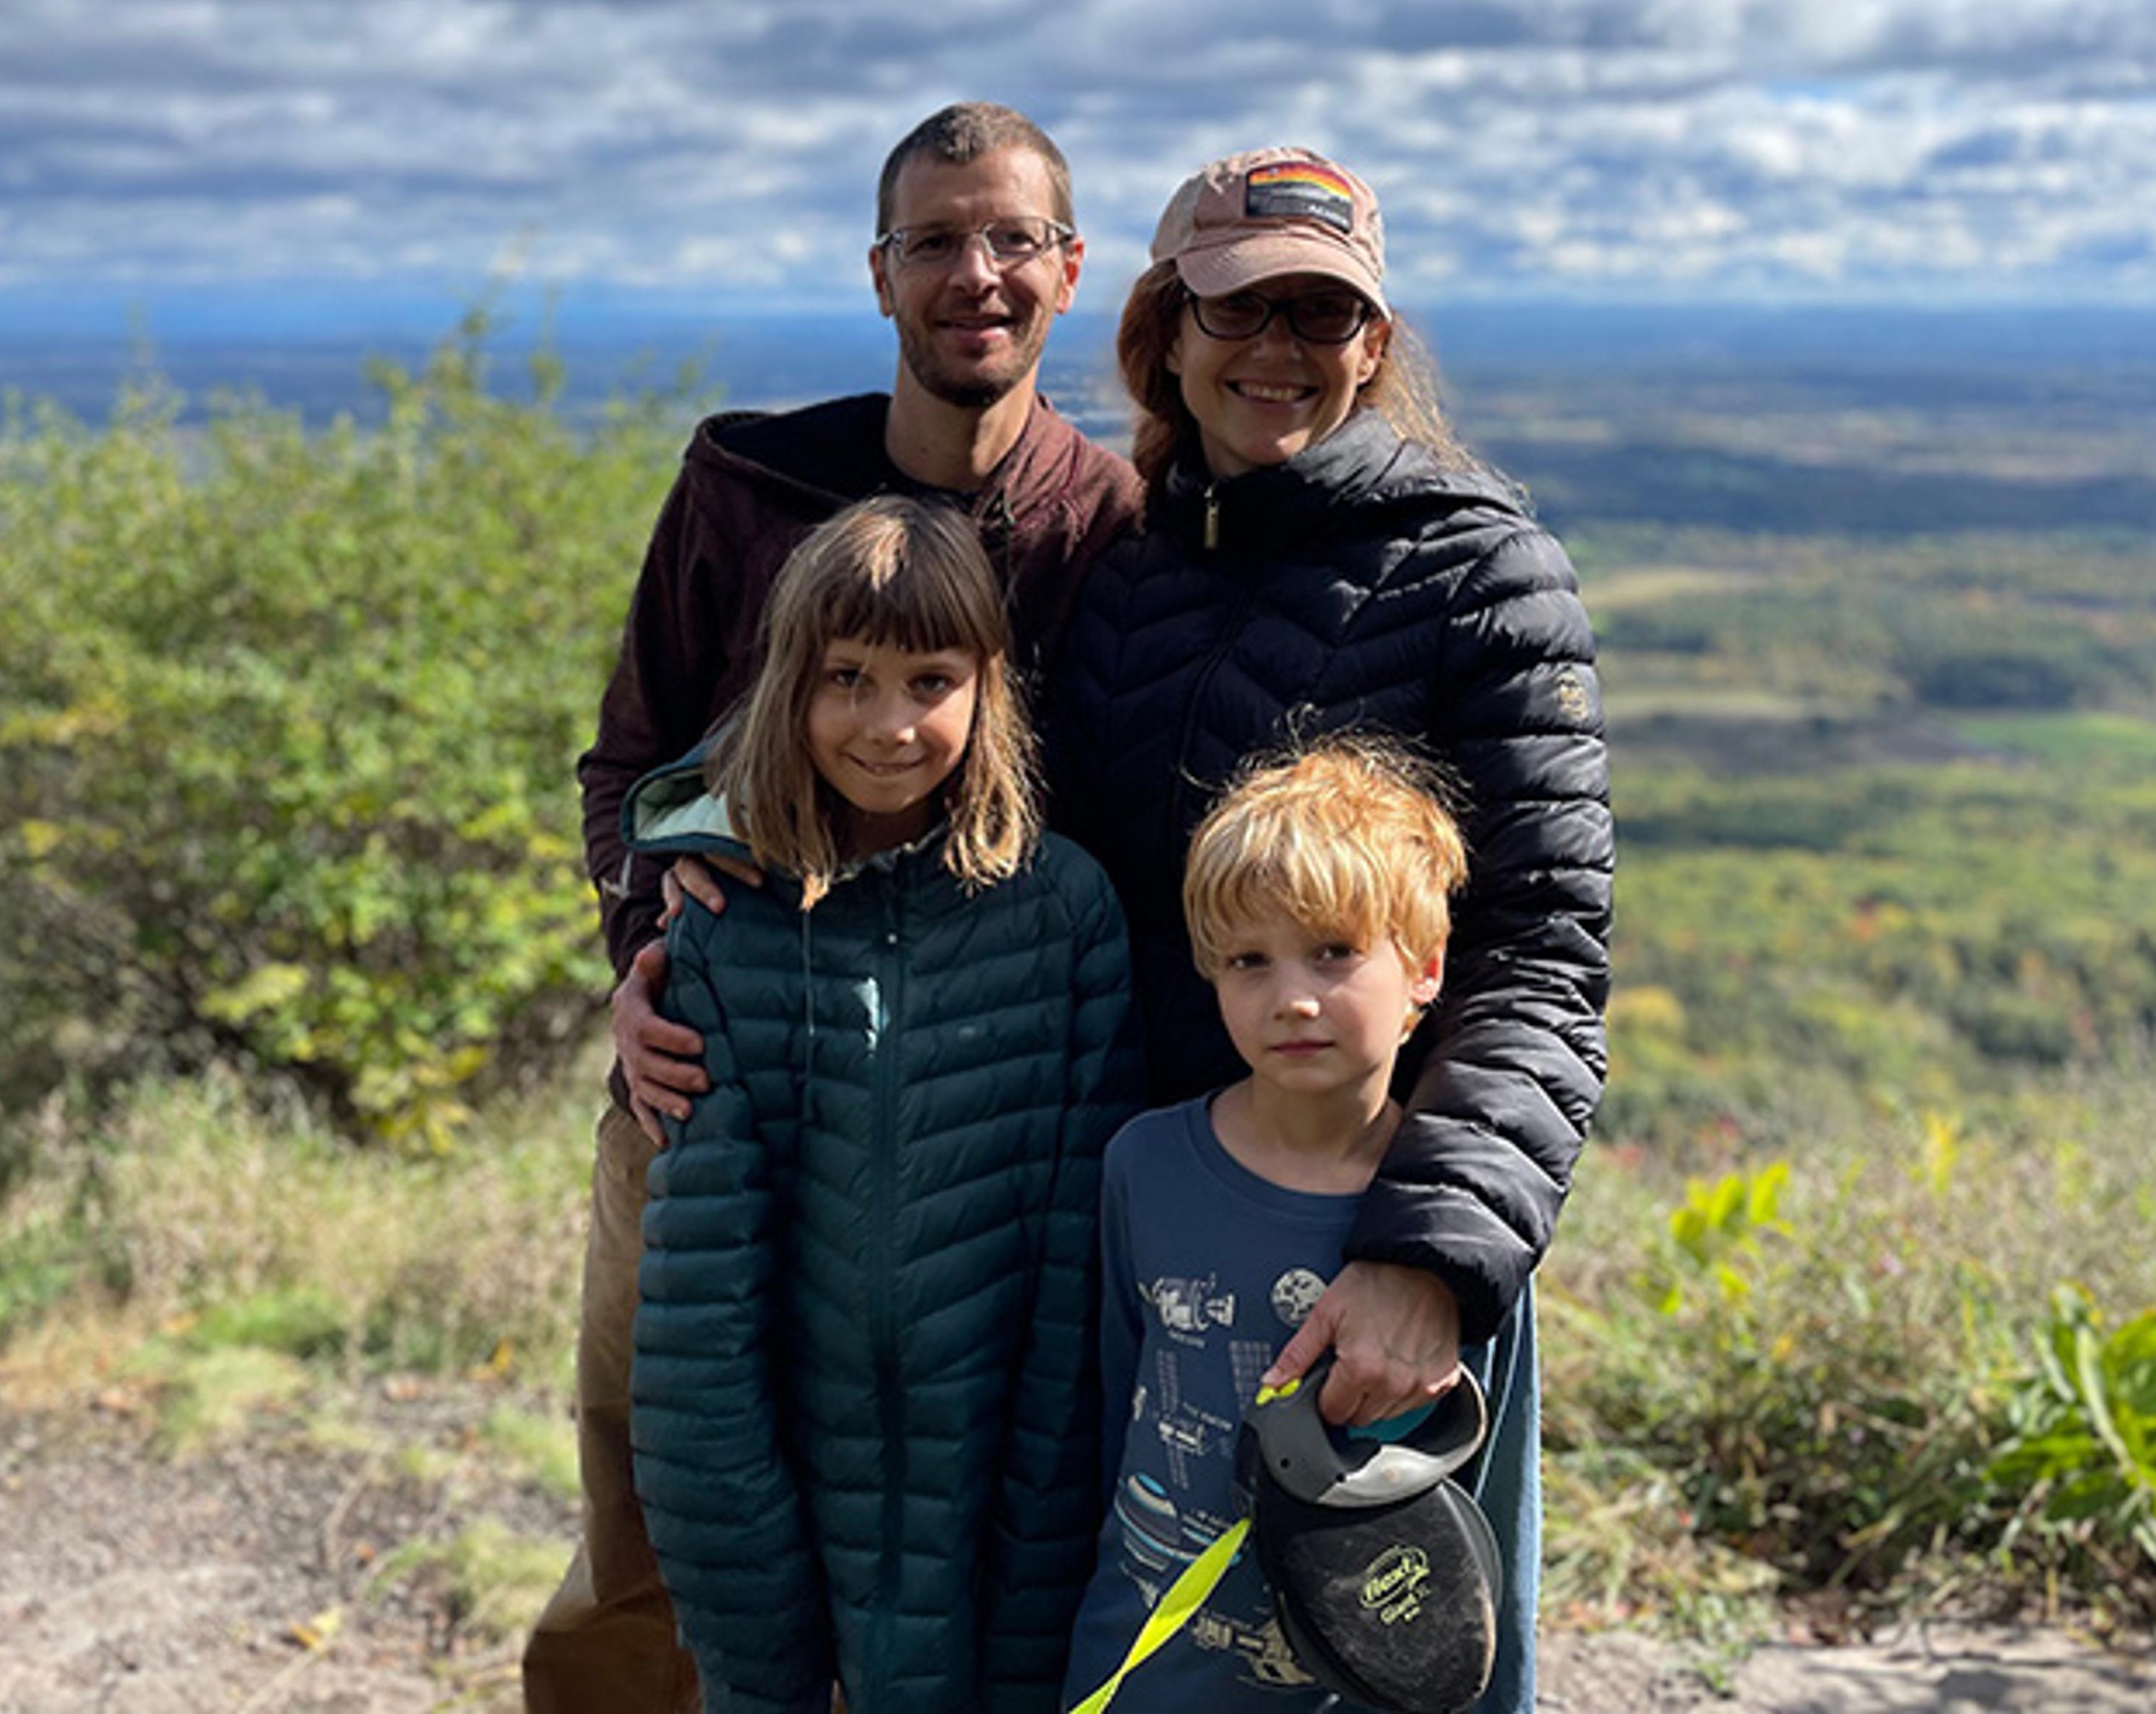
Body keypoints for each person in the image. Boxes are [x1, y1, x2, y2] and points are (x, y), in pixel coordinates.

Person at [528, 103, 1143, 1713]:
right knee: (655, 1496)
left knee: (967, 1539)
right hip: (720, 1081)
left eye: (1012, 239)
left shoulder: (1109, 525)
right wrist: (645, 957)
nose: (976, 274)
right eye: (936, 240)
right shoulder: (747, 481)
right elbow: (630, 763)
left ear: (1070, 272)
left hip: (979, 1137)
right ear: (880, 275)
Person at [1045, 147, 1612, 1714]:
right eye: (1239, 309)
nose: (1280, 348)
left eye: (1322, 311)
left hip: (1370, 1240)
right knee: (1152, 1616)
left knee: (1389, 1655)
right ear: (1165, 328)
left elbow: (1545, 947)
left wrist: (1428, 1261)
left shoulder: (1478, 565)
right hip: (1159, 1220)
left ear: (1374, 342)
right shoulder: (1129, 566)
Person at [628, 496, 1140, 1713]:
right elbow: (700, 1333)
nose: (889, 722)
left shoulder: (1063, 915)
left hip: (1009, 1495)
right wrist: (764, 1650)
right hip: (791, 1498)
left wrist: (1046, 1569)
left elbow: (1077, 1280)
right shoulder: (727, 922)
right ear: (789, 683)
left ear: (987, 689)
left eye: (930, 679)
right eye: (847, 677)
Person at [1062, 735, 1507, 1711]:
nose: (1292, 997)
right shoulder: (1144, 1165)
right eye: (1249, 960)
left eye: (1335, 952)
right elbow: (1108, 1422)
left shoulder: (1451, 1226)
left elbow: (1495, 1510)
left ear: (1425, 968)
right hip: (1147, 1676)